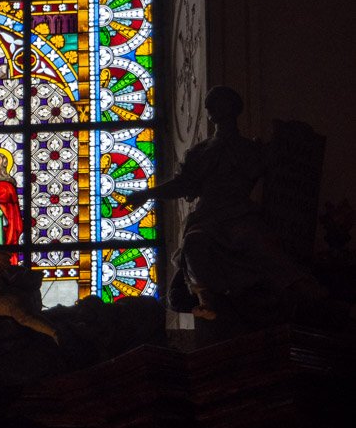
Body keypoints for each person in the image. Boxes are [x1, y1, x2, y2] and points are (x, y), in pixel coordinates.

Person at [133, 86, 323, 321]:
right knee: (194, 243)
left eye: (220, 103)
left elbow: (283, 178)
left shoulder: (251, 149)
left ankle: (299, 284)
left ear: (234, 109)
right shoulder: (199, 153)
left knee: (258, 242)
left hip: (240, 214)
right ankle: (206, 300)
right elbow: (182, 185)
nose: (214, 109)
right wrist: (147, 194)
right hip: (207, 218)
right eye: (212, 105)